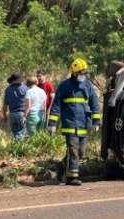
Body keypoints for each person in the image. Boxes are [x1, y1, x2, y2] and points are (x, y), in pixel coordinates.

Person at [48, 58, 101, 186]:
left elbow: (94, 102)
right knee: (73, 151)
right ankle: (72, 177)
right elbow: (56, 105)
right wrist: (52, 123)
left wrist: (96, 120)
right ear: (75, 73)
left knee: (81, 152)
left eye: (85, 73)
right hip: (70, 124)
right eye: (82, 73)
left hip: (83, 124)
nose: (84, 76)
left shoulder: (87, 85)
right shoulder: (65, 86)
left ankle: (61, 166)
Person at [2, 71, 28, 140]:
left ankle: (14, 147)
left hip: (12, 114)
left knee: (15, 133)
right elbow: (29, 102)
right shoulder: (25, 88)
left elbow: (5, 105)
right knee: (21, 134)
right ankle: (17, 149)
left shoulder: (8, 89)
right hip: (21, 113)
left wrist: (4, 116)